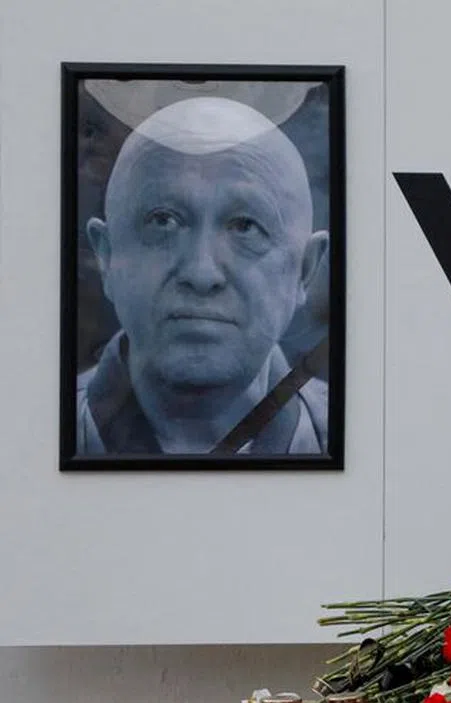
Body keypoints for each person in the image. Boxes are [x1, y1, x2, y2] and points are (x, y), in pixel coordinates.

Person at [76, 96, 330, 455]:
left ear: (305, 271)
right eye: (163, 221)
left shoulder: (370, 442)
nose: (201, 272)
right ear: (107, 256)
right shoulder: (28, 434)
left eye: (245, 226)